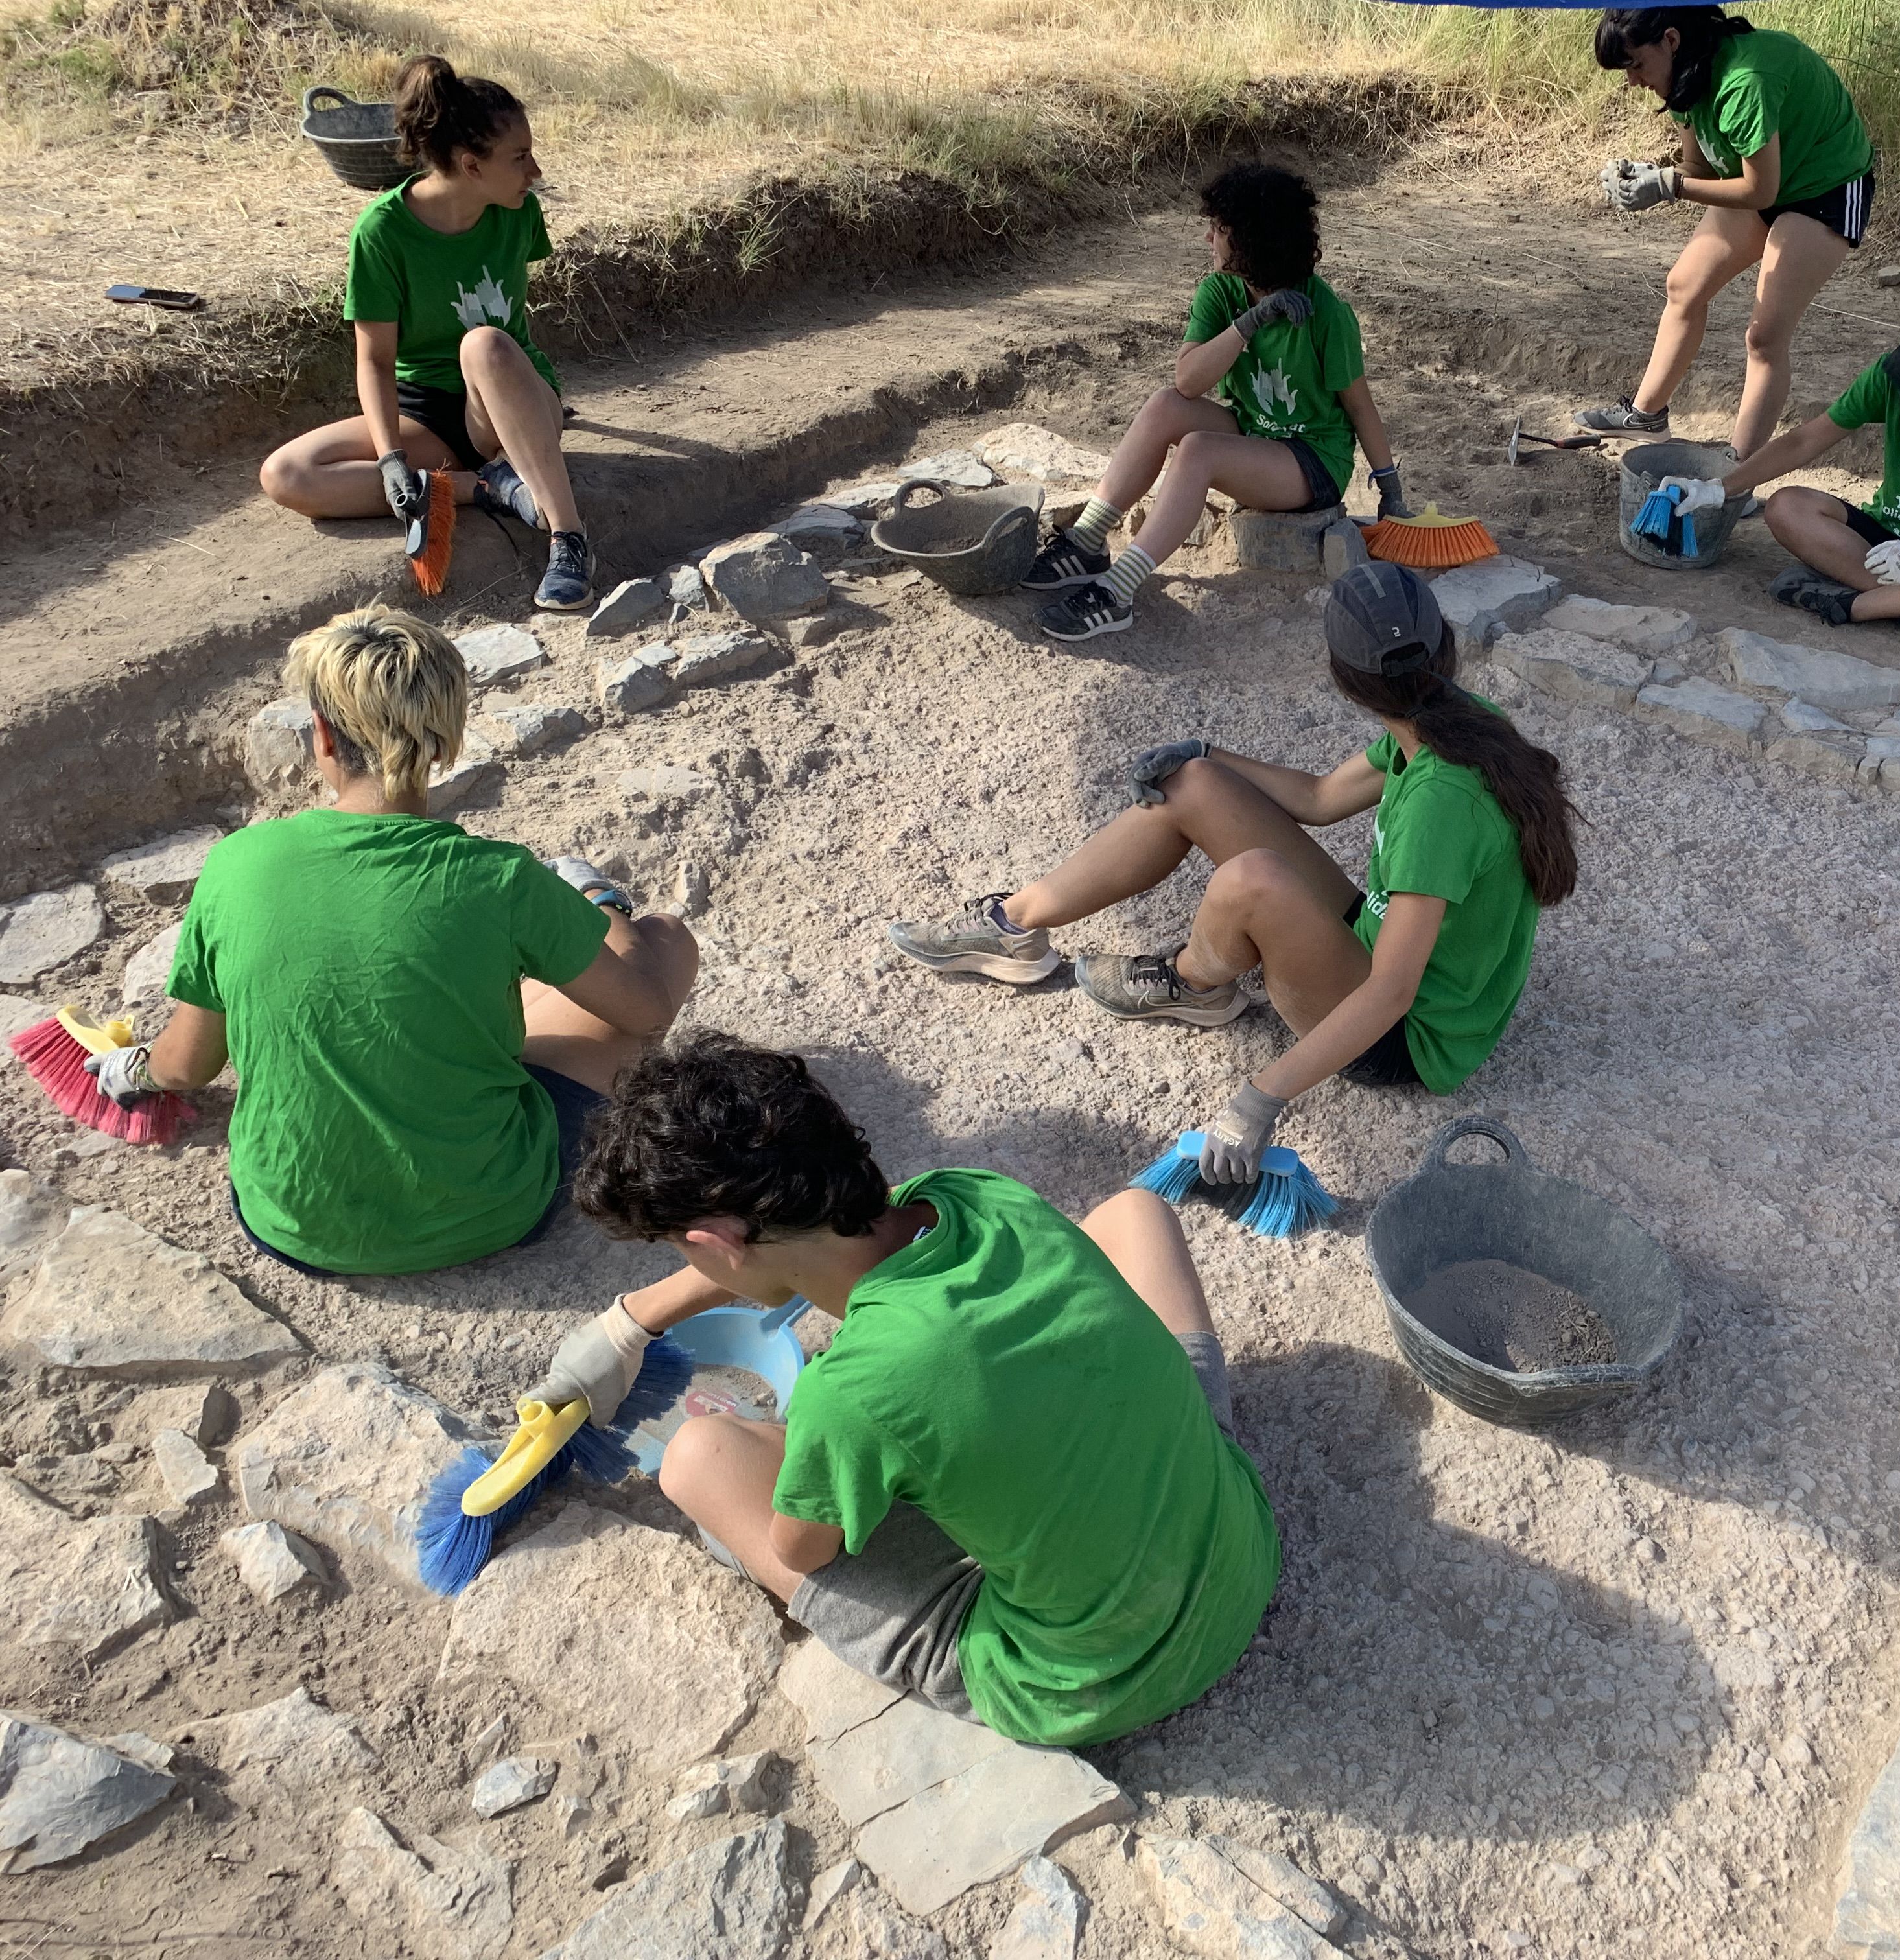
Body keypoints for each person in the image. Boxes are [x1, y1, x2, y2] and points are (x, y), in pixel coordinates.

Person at [551, 1031, 1279, 1747]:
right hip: (1237, 1550)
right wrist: (632, 1320)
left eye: (685, 1250)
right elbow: (863, 1219)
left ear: (715, 1245)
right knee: (1132, 1214)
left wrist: (806, 1447)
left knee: (698, 1457)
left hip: (1097, 1677)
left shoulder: (850, 1395)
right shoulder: (979, 1196)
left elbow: (803, 1550)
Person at [889, 562, 1574, 1178]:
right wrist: (1209, 754)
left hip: (1407, 1040)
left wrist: (1260, 1097)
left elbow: (1392, 993)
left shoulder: (1438, 807)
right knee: (1193, 785)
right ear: (1441, 653)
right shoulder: (1453, 720)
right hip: (1374, 954)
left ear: (1347, 682)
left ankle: (1194, 983)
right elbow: (1319, 799)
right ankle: (1015, 925)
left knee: (1251, 881)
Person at [86, 607, 698, 1275]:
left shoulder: (238, 864)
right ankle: (603, 905)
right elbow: (647, 1012)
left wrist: (134, 1069)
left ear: (321, 736)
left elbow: (188, 1067)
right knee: (665, 939)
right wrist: (599, 905)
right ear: (446, 740)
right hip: (492, 1211)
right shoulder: (500, 878)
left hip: (290, 1225)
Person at [257, 56, 596, 612]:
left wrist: (521, 407)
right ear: (471, 165)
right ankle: (490, 490)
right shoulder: (382, 233)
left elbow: (511, 334)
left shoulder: (519, 213)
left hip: (507, 397)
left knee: (484, 344)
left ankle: (567, 537)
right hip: (427, 415)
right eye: (520, 157)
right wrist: (392, 458)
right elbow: (375, 361)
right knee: (287, 474)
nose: (535, 171)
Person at [1022, 163, 1408, 644]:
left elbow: (1360, 406)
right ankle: (1085, 543)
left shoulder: (1328, 315)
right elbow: (1187, 382)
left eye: (1220, 231)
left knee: (1199, 449)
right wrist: (1250, 323)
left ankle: (1118, 592)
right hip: (1254, 435)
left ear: (1252, 241)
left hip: (1312, 463)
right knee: (1165, 405)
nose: (1208, 239)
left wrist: (1390, 489)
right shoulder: (1221, 292)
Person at [1579, 5, 1875, 480]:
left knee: (1764, 337)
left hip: (1825, 188)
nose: (1632, 81)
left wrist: (1669, 186)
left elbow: (1760, 192)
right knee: (1684, 286)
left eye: (1635, 64)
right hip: (1769, 181)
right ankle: (1647, 416)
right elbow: (1700, 170)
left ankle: (1736, 480)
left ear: (1671, 40)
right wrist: (1649, 177)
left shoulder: (1744, 84)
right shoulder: (1685, 79)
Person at [1658, 288, 1900, 653]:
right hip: (1879, 545)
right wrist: (1720, 487)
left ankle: (1856, 607)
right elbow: (1806, 440)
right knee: (1786, 506)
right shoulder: (1893, 374)